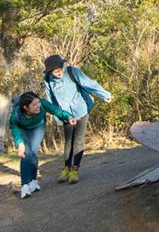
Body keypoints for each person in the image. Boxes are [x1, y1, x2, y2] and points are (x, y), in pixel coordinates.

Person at [42, 54, 111, 184]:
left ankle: (75, 170)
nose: (60, 72)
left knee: (78, 139)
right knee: (68, 141)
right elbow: (50, 100)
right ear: (50, 72)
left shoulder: (72, 72)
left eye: (61, 68)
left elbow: (89, 83)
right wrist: (58, 117)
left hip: (81, 109)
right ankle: (66, 169)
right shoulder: (48, 80)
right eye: (56, 71)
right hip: (66, 114)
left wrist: (104, 94)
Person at [10, 90, 74, 199]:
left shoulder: (43, 104)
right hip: (23, 130)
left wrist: (68, 117)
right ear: (26, 107)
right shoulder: (16, 114)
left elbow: (56, 111)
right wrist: (19, 143)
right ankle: (25, 185)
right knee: (26, 153)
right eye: (34, 104)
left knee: (33, 152)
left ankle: (33, 182)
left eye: (38, 102)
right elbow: (14, 127)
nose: (38, 106)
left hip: (38, 127)